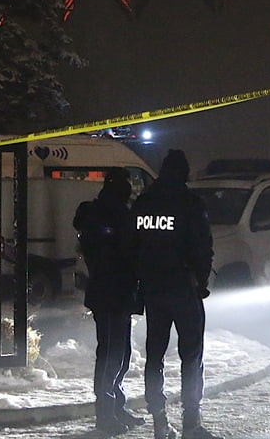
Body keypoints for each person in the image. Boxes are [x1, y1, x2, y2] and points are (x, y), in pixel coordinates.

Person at [132, 149, 222, 439]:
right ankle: (191, 422)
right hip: (183, 287)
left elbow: (132, 245)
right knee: (191, 356)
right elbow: (203, 247)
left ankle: (159, 421)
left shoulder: (143, 203)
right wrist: (201, 281)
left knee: (155, 355)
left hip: (153, 289)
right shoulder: (190, 203)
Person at [73, 170, 145, 436]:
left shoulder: (111, 213)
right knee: (111, 356)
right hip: (110, 293)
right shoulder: (105, 214)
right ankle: (106, 413)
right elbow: (116, 254)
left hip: (116, 293)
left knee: (120, 354)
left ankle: (115, 407)